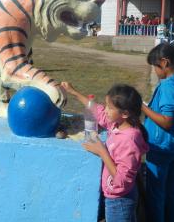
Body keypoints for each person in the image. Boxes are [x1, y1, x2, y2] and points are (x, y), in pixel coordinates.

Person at [61, 82, 149, 222]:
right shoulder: (117, 124)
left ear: (125, 113)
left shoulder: (129, 141)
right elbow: (98, 111)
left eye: (110, 107)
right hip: (114, 196)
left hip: (120, 201)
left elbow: (122, 181)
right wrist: (74, 92)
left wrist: (102, 152)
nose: (106, 110)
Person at [141, 43, 174, 222]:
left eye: (155, 66)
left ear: (164, 63)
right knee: (171, 191)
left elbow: (167, 121)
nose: (155, 70)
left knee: (156, 194)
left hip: (162, 147)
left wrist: (141, 107)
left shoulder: (168, 86)